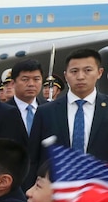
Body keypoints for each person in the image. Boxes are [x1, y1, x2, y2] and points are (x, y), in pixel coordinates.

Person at [28, 48, 108, 185]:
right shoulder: (45, 112)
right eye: (74, 71)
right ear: (66, 75)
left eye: (88, 70)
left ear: (99, 73)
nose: (80, 76)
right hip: (56, 190)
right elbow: (33, 158)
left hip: (101, 191)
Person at [7, 59, 43, 137]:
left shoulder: (49, 108)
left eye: (36, 79)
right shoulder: (3, 111)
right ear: (13, 83)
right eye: (25, 79)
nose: (31, 84)